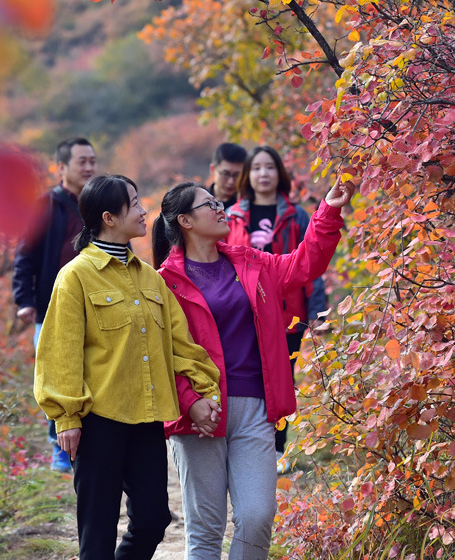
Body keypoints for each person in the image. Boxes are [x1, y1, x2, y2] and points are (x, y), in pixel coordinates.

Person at [152, 178, 354, 560]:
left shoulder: (251, 263)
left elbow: (305, 263)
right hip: (201, 414)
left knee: (257, 516)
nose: (220, 209)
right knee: (206, 529)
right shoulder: (164, 283)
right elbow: (160, 356)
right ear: (185, 221)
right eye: (209, 205)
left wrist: (329, 210)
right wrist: (189, 401)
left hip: (255, 408)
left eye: (218, 203)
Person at [34, 174, 222, 560]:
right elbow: (59, 351)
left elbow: (179, 345)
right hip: (98, 420)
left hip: (146, 418)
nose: (142, 211)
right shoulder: (75, 276)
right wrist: (66, 417)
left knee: (153, 519)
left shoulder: (150, 278)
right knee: (98, 530)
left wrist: (203, 391)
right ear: (109, 218)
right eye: (134, 204)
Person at [224, 145, 328, 460]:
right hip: (243, 316)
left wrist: (317, 313)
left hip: (286, 316)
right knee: (246, 379)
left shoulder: (296, 215)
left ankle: (276, 449)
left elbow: (310, 267)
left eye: (269, 167)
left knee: (281, 381)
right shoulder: (231, 216)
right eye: (256, 168)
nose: (263, 174)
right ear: (247, 175)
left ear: (279, 173)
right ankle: (244, 444)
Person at [13, 137, 96, 472]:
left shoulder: (98, 202)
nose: (89, 167)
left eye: (92, 161)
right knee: (54, 374)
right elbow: (24, 255)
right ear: (61, 167)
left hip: (95, 304)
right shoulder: (45, 206)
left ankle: (89, 441)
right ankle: (59, 446)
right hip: (51, 306)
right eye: (82, 161)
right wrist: (24, 300)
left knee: (92, 371)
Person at [207, 143, 247, 210]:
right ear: (212, 169)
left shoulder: (246, 205)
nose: (231, 181)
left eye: (237, 175)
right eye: (226, 174)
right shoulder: (200, 202)